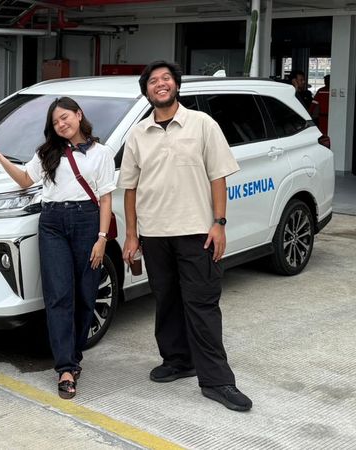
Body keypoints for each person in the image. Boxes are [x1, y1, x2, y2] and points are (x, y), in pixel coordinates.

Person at [118, 60, 252, 411]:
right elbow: (130, 188)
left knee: (202, 305)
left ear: (176, 85)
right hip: (154, 234)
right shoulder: (138, 134)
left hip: (197, 232)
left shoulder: (202, 124)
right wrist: (132, 235)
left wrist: (219, 222)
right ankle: (178, 360)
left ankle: (218, 381)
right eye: (153, 81)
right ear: (146, 91)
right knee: (166, 301)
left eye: (166, 78)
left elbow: (218, 176)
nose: (160, 84)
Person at [0, 97, 115, 400]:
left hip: (87, 222)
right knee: (58, 296)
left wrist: (102, 238)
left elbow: (105, 199)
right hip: (52, 223)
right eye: (55, 122)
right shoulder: (47, 152)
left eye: (65, 117)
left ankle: (74, 354)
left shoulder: (101, 153)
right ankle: (65, 368)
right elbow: (26, 180)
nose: (61, 124)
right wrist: (0, 158)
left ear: (79, 115)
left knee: (86, 295)